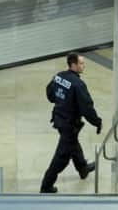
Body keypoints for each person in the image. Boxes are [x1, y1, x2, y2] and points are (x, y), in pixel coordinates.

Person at [40, 52, 103, 193]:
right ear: (73, 65)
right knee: (61, 157)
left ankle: (82, 168)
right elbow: (87, 107)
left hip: (59, 118)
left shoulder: (59, 76)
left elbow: (50, 93)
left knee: (73, 143)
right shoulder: (78, 84)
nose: (83, 65)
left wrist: (61, 101)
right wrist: (97, 122)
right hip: (69, 124)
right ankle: (46, 186)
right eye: (81, 63)